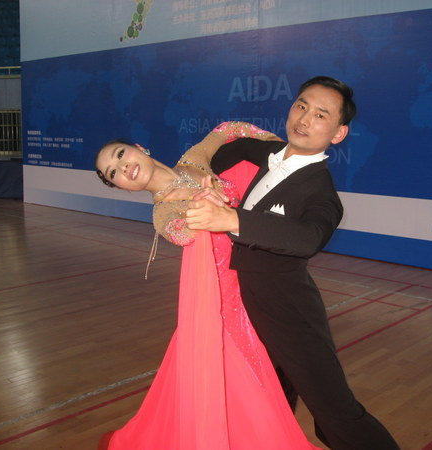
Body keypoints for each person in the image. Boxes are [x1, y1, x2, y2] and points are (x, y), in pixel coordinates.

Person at [186, 76, 400, 450]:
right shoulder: (260, 153)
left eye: (321, 114)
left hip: (291, 315)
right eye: (301, 105)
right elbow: (209, 155)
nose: (304, 118)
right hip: (249, 310)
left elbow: (307, 238)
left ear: (338, 133)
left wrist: (231, 219)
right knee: (271, 400)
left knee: (335, 414)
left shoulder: (322, 194)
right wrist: (196, 175)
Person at [94, 121, 322, 449]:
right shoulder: (163, 214)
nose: (123, 167)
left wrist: (279, 152)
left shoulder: (194, 159)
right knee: (250, 379)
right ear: (121, 187)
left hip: (263, 276)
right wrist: (206, 206)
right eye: (113, 173)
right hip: (227, 306)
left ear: (140, 149)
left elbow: (229, 128)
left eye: (120, 155)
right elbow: (183, 232)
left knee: (283, 368)